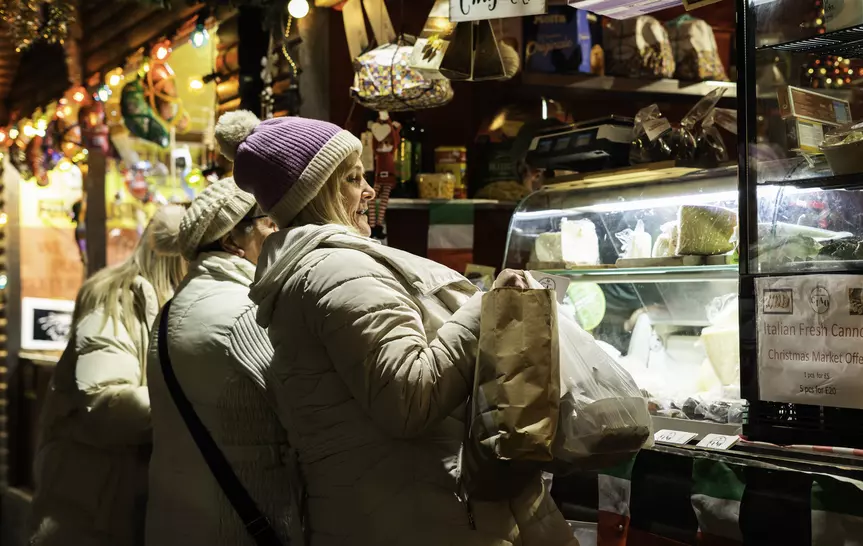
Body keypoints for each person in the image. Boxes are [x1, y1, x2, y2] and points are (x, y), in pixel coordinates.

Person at [214, 111, 576, 546]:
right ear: (317, 194)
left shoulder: (317, 269)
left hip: (380, 512)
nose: (369, 190)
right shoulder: (336, 268)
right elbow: (408, 397)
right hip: (417, 519)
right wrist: (486, 308)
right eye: (352, 179)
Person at [143, 178, 302, 546]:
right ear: (232, 240)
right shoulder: (244, 314)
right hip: (240, 526)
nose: (281, 233)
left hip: (179, 521)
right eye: (270, 222)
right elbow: (307, 415)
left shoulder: (173, 309)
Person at [29, 205, 187, 546]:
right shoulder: (118, 299)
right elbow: (105, 400)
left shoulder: (166, 302)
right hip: (92, 504)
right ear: (178, 255)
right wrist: (190, 402)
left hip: (110, 499)